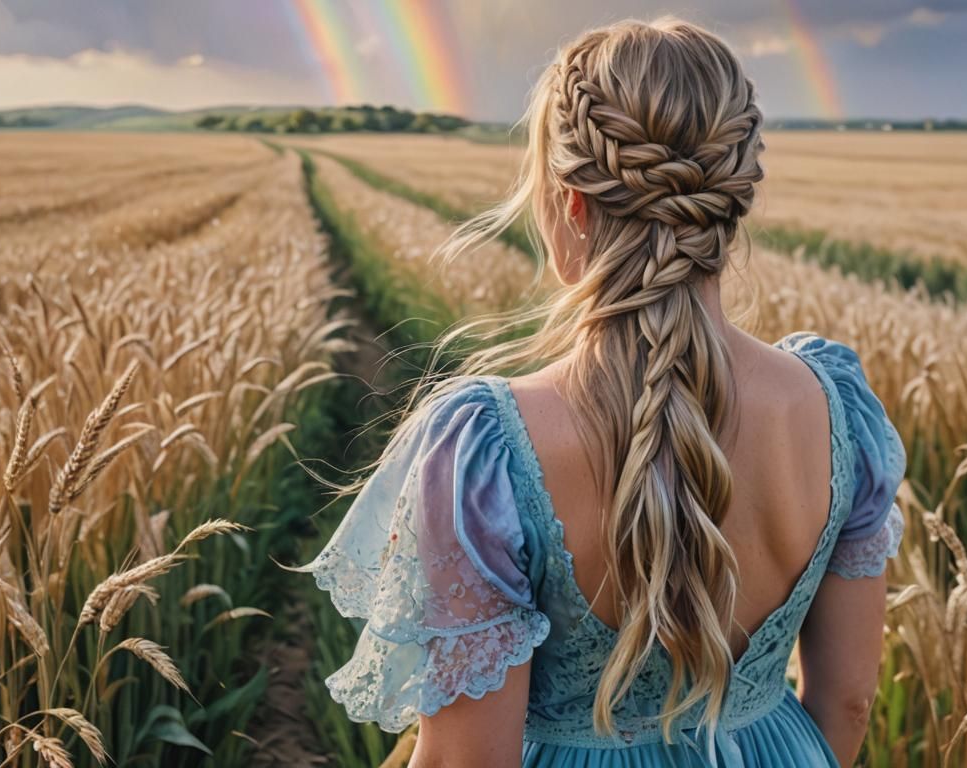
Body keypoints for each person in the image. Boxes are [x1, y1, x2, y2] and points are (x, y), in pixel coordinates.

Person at [309, 17, 906, 767]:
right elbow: (848, 701)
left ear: (573, 206)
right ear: (730, 203)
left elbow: (471, 760)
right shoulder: (835, 409)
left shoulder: (487, 449)